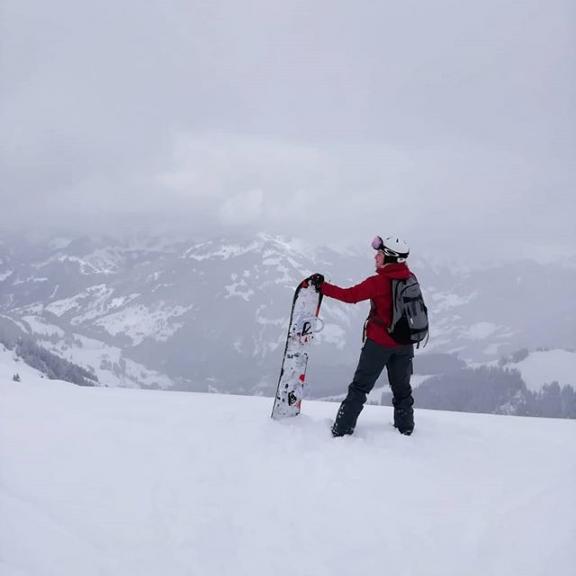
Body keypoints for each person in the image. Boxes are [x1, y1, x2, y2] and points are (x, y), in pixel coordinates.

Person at [310, 235, 418, 437]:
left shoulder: (379, 282)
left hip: (379, 344)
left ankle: (341, 429)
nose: (376, 257)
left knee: (359, 388)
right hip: (404, 344)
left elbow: (350, 296)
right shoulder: (410, 277)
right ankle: (406, 429)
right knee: (402, 390)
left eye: (379, 254)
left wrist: (322, 286)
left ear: (391, 258)